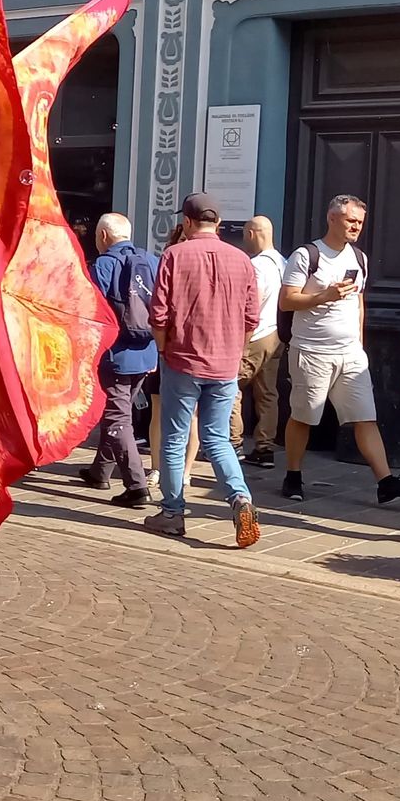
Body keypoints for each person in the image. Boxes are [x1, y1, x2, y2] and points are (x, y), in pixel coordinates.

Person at [279, 194, 400, 505]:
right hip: (312, 351)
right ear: (332, 218)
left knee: (365, 417)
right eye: (350, 220)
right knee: (304, 416)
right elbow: (287, 300)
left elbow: (358, 301)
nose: (356, 227)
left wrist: (359, 344)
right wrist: (324, 296)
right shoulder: (306, 255)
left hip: (350, 354)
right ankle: (293, 475)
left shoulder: (359, 258)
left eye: (360, 222)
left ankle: (385, 482)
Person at [145, 194, 262, 546]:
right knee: (217, 438)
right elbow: (251, 317)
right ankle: (240, 498)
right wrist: (235, 349)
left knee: (175, 438)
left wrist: (164, 348)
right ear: (219, 224)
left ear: (187, 222)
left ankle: (172, 513)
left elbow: (159, 314)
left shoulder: (174, 255)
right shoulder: (242, 260)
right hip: (224, 364)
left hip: (183, 359)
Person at [80, 212, 159, 507]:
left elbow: (91, 312)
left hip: (115, 354)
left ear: (103, 237)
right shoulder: (152, 261)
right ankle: (100, 471)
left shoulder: (103, 265)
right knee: (119, 413)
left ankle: (136, 487)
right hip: (146, 352)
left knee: (117, 417)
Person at [232, 215, 286, 469]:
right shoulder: (283, 263)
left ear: (251, 234)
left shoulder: (256, 266)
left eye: (245, 235)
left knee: (231, 387)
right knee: (268, 392)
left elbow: (249, 304)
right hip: (277, 334)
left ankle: (233, 443)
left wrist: (239, 337)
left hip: (255, 335)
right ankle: (265, 447)